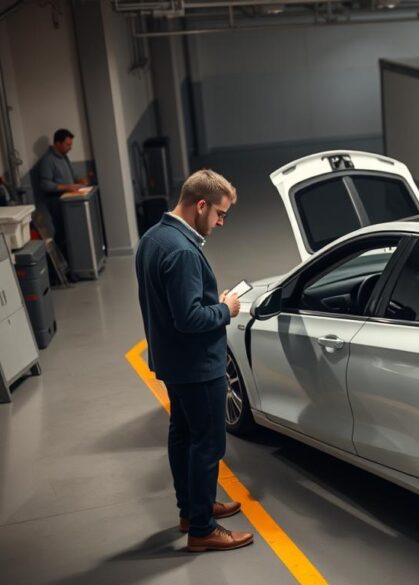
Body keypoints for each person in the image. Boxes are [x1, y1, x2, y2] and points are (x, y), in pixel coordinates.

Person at [135, 169, 254, 552]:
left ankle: (191, 510)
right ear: (201, 205)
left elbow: (172, 307)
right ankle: (202, 530)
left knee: (183, 435)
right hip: (197, 365)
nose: (220, 222)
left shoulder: (154, 238)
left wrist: (205, 302)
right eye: (220, 214)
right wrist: (224, 308)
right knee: (208, 445)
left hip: (172, 360)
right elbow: (189, 319)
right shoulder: (184, 251)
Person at [36, 129, 88, 247]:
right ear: (58, 143)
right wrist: (67, 187)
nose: (70, 148)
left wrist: (79, 179)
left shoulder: (64, 157)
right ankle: (63, 255)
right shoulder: (47, 160)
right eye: (67, 145)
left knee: (71, 229)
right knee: (62, 230)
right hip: (56, 201)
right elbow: (45, 185)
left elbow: (71, 175)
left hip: (68, 199)